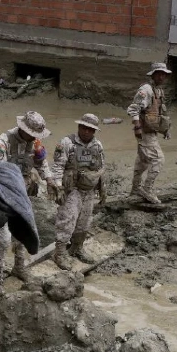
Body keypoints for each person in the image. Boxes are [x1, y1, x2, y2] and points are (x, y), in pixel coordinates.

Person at [0, 111, 49, 292]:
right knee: (3, 238)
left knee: (24, 230)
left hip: (24, 193)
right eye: (31, 134)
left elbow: (42, 164)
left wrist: (51, 179)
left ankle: (19, 266)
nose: (33, 138)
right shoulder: (3, 142)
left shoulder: (35, 142)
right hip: (4, 195)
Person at [47, 113, 106, 270]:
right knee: (68, 219)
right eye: (84, 128)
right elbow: (58, 166)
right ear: (79, 127)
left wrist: (102, 189)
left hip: (89, 189)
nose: (86, 131)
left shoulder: (97, 146)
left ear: (94, 131)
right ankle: (59, 253)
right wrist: (58, 186)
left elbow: (101, 168)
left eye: (90, 129)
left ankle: (77, 248)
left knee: (84, 220)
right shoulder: (67, 143)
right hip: (72, 188)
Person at [126, 62, 172, 205]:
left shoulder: (159, 91)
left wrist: (165, 130)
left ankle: (135, 189)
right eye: (159, 73)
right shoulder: (146, 90)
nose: (161, 76)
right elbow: (133, 109)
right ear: (153, 75)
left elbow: (160, 114)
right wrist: (137, 128)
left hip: (151, 131)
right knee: (159, 159)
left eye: (164, 74)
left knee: (143, 161)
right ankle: (147, 189)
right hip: (145, 132)